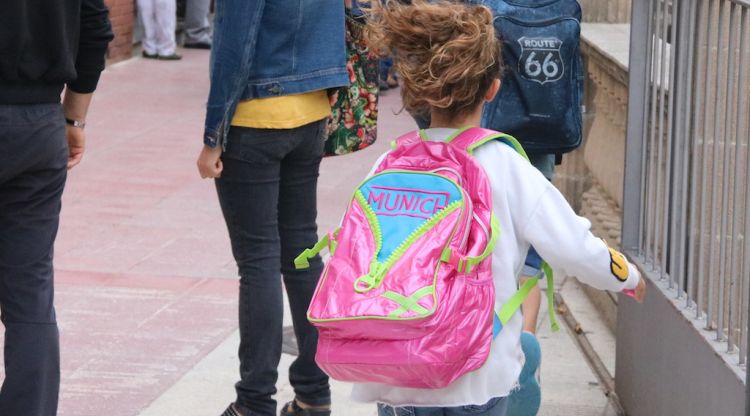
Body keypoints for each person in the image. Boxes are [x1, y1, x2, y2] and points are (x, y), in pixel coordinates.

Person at [352, 2, 646, 415]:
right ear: (493, 89)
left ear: (416, 91)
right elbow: (574, 247)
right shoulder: (507, 164)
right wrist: (626, 276)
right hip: (476, 372)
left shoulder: (389, 164)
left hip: (399, 374)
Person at [195, 1, 349, 415]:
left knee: (259, 260)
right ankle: (314, 392)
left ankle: (253, 401)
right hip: (311, 109)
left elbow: (235, 43)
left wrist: (214, 135)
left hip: (256, 115)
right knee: (302, 251)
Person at [0, 1, 113, 414]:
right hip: (39, 122)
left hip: (40, 119)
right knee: (30, 289)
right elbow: (96, 28)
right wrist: (73, 118)